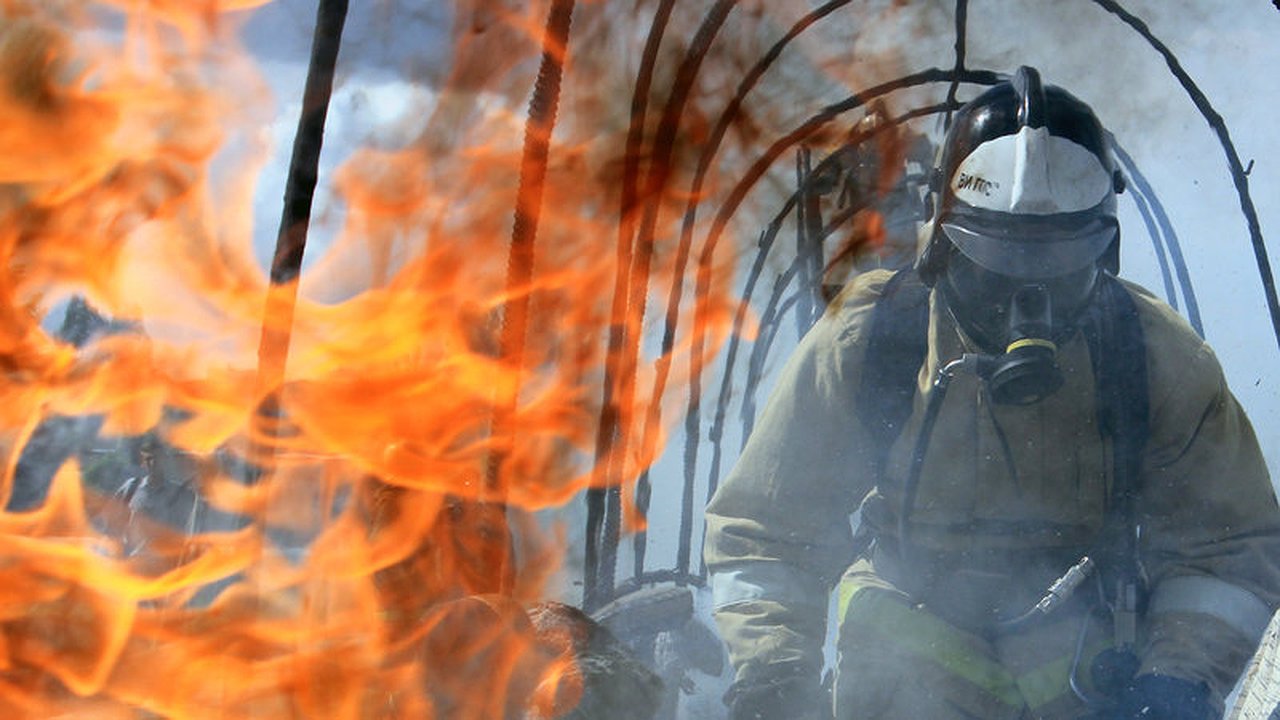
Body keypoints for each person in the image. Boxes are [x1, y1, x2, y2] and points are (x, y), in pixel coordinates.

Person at [703, 66, 1280, 720]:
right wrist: (775, 677)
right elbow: (767, 533)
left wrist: (1176, 681)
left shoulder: (1153, 357)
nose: (1023, 308)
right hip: (902, 672)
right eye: (994, 272)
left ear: (1105, 255)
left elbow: (1228, 552)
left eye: (1058, 277)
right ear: (938, 249)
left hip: (1087, 676)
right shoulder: (874, 340)